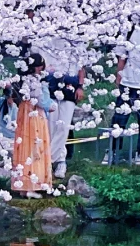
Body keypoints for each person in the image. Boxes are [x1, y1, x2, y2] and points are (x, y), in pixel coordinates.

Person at [39, 34, 88, 177]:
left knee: (64, 126)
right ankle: (59, 160)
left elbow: (81, 67)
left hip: (70, 87)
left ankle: (49, 160)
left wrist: (80, 86)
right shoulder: (45, 39)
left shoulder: (77, 40)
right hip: (50, 86)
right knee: (51, 126)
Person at [111, 22, 140, 164]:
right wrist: (119, 77)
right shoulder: (129, 29)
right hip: (128, 82)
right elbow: (122, 57)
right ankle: (113, 151)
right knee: (119, 119)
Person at [11, 55, 53, 195]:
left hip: (24, 111)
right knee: (35, 144)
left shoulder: (21, 79)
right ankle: (33, 184)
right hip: (34, 112)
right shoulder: (34, 80)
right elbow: (41, 100)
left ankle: (23, 184)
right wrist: (51, 106)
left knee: (24, 144)